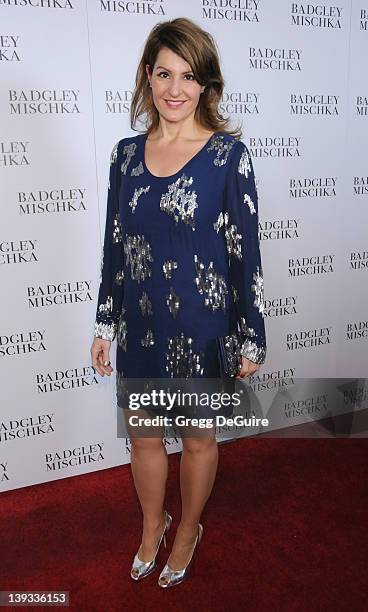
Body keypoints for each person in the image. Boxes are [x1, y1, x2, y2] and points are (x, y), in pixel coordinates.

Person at [90, 17, 267, 589]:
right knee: (143, 436)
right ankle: (152, 522)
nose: (174, 88)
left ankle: (188, 527)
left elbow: (245, 254)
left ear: (206, 85)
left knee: (197, 439)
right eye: (164, 73)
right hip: (139, 328)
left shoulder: (227, 157)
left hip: (204, 326)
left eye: (188, 76)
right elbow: (115, 244)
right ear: (148, 75)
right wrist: (103, 322)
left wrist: (252, 334)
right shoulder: (123, 156)